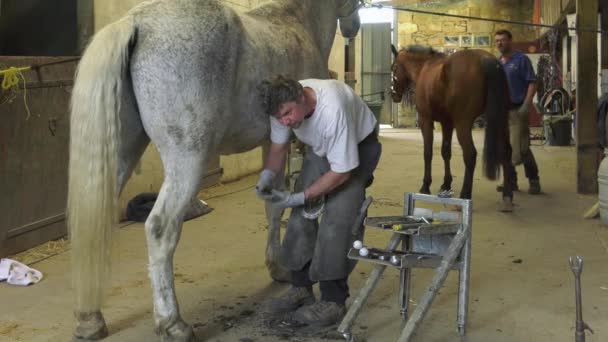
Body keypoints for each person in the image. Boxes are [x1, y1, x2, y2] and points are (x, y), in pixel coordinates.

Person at [255, 75, 381, 326]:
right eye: (280, 118)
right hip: (321, 146)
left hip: (358, 144)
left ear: (302, 97)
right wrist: (267, 176)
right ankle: (301, 287)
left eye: (288, 114)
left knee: (338, 219)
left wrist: (300, 196)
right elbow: (279, 148)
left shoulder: (332, 109)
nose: (285, 121)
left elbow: (342, 171)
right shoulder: (282, 105)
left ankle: (333, 301)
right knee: (302, 214)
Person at [495, 29, 541, 194]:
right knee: (504, 147)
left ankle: (534, 180)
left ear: (510, 41)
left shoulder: (521, 60)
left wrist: (527, 104)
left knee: (521, 148)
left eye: (503, 40)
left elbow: (532, 82)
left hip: (517, 109)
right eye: (497, 41)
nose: (500, 43)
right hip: (502, 111)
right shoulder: (498, 62)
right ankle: (511, 181)